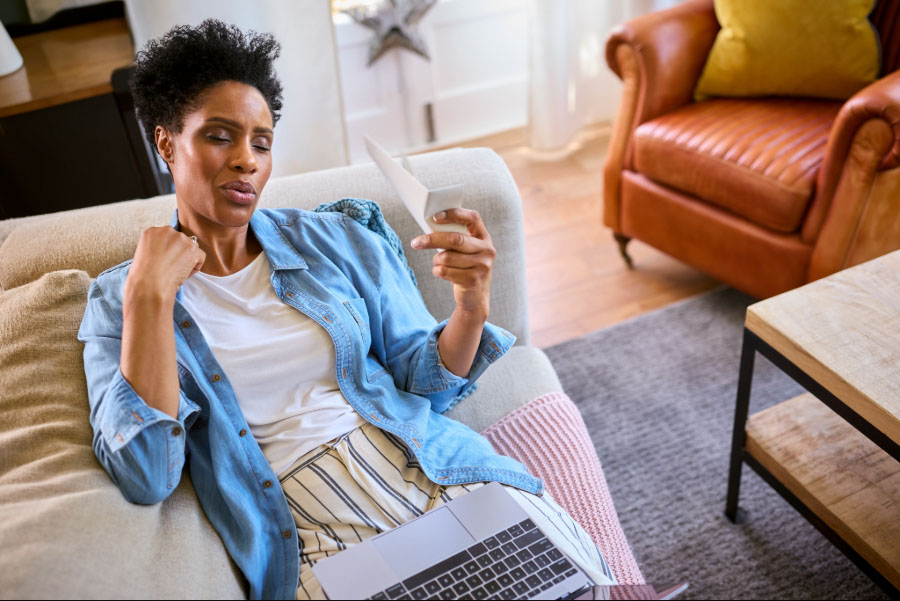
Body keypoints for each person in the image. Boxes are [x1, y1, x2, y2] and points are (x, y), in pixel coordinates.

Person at [78, 19, 615, 600]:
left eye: (261, 143)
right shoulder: (120, 301)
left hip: (434, 473)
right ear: (165, 142)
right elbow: (148, 474)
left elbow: (424, 384)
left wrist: (471, 304)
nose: (246, 161)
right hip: (313, 533)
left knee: (578, 586)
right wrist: (150, 297)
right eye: (219, 136)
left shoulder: (336, 238)